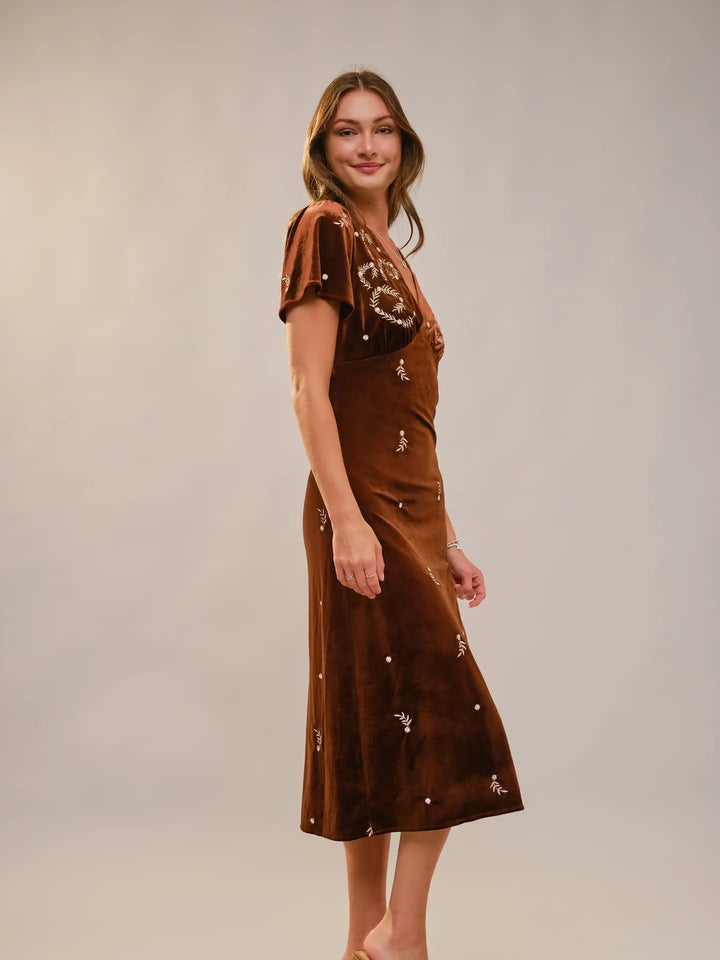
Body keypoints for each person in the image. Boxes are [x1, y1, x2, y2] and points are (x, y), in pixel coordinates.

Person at [277, 69, 525, 960]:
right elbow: (309, 386)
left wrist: (448, 539)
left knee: (388, 723)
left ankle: (360, 944)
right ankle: (403, 935)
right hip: (360, 508)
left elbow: (410, 415)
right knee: (435, 716)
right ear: (324, 149)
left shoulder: (395, 255)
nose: (368, 146)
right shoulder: (324, 228)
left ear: (404, 144)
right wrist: (346, 518)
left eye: (383, 129)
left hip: (413, 511)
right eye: (348, 131)